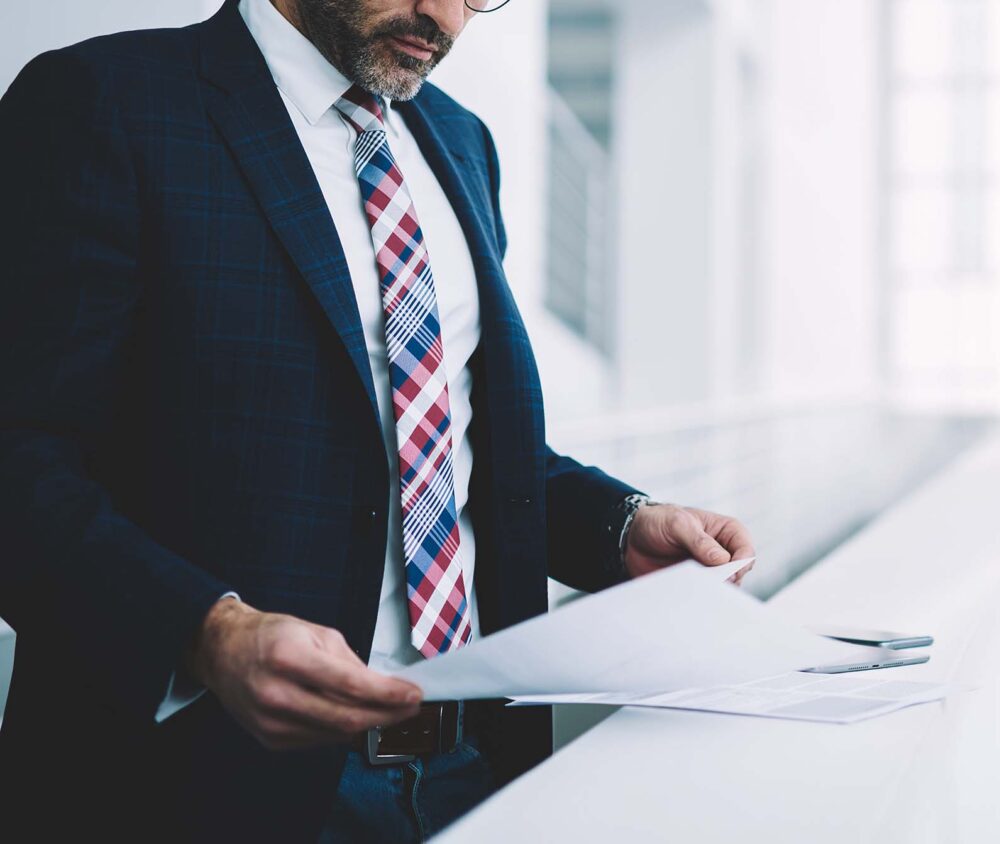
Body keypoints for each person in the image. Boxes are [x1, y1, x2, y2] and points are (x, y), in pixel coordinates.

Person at [0, 0, 755, 838]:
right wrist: (203, 631)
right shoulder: (104, 102)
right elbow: (19, 459)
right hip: (198, 788)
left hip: (472, 770)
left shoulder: (460, 143)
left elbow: (447, 446)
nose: (444, 14)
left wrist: (620, 527)